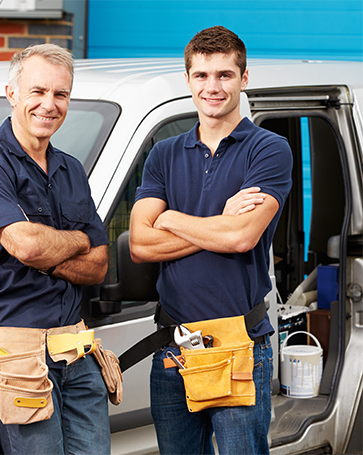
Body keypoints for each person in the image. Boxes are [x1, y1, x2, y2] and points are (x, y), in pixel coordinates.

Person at [129, 26, 293, 455]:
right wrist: (217, 221)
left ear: (244, 78)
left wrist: (170, 217)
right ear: (188, 80)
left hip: (239, 343)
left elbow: (241, 237)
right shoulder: (163, 154)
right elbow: (140, 245)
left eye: (224, 75)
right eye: (201, 75)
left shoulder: (268, 149)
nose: (212, 86)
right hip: (173, 349)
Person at [0, 44, 111, 455]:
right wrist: (75, 240)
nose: (49, 104)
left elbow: (98, 265)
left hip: (74, 350)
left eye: (60, 94)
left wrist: (48, 249)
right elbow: (26, 246)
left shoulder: (70, 168)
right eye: (37, 91)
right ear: (12, 93)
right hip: (15, 354)